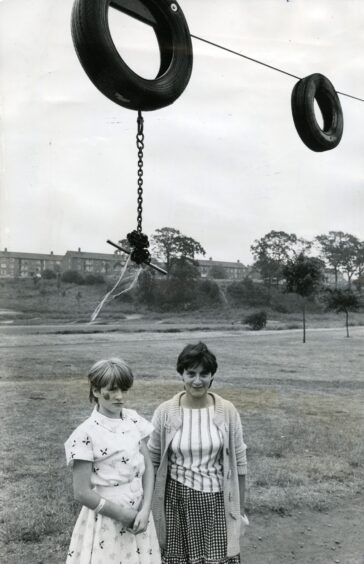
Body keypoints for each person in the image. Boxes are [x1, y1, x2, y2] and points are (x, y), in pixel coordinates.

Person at [148, 342, 248, 564]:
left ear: (212, 376)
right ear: (181, 374)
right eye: (190, 373)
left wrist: (239, 510)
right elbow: (152, 461)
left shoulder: (228, 411)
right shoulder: (165, 412)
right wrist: (148, 505)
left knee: (218, 558)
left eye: (204, 374)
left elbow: (240, 463)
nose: (197, 380)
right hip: (176, 502)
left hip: (217, 501)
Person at [64, 358, 161, 564]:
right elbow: (81, 492)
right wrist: (122, 515)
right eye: (113, 389)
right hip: (107, 519)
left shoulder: (133, 419)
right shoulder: (85, 434)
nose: (120, 396)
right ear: (96, 391)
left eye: (124, 390)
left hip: (139, 514)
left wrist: (145, 509)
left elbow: (148, 467)